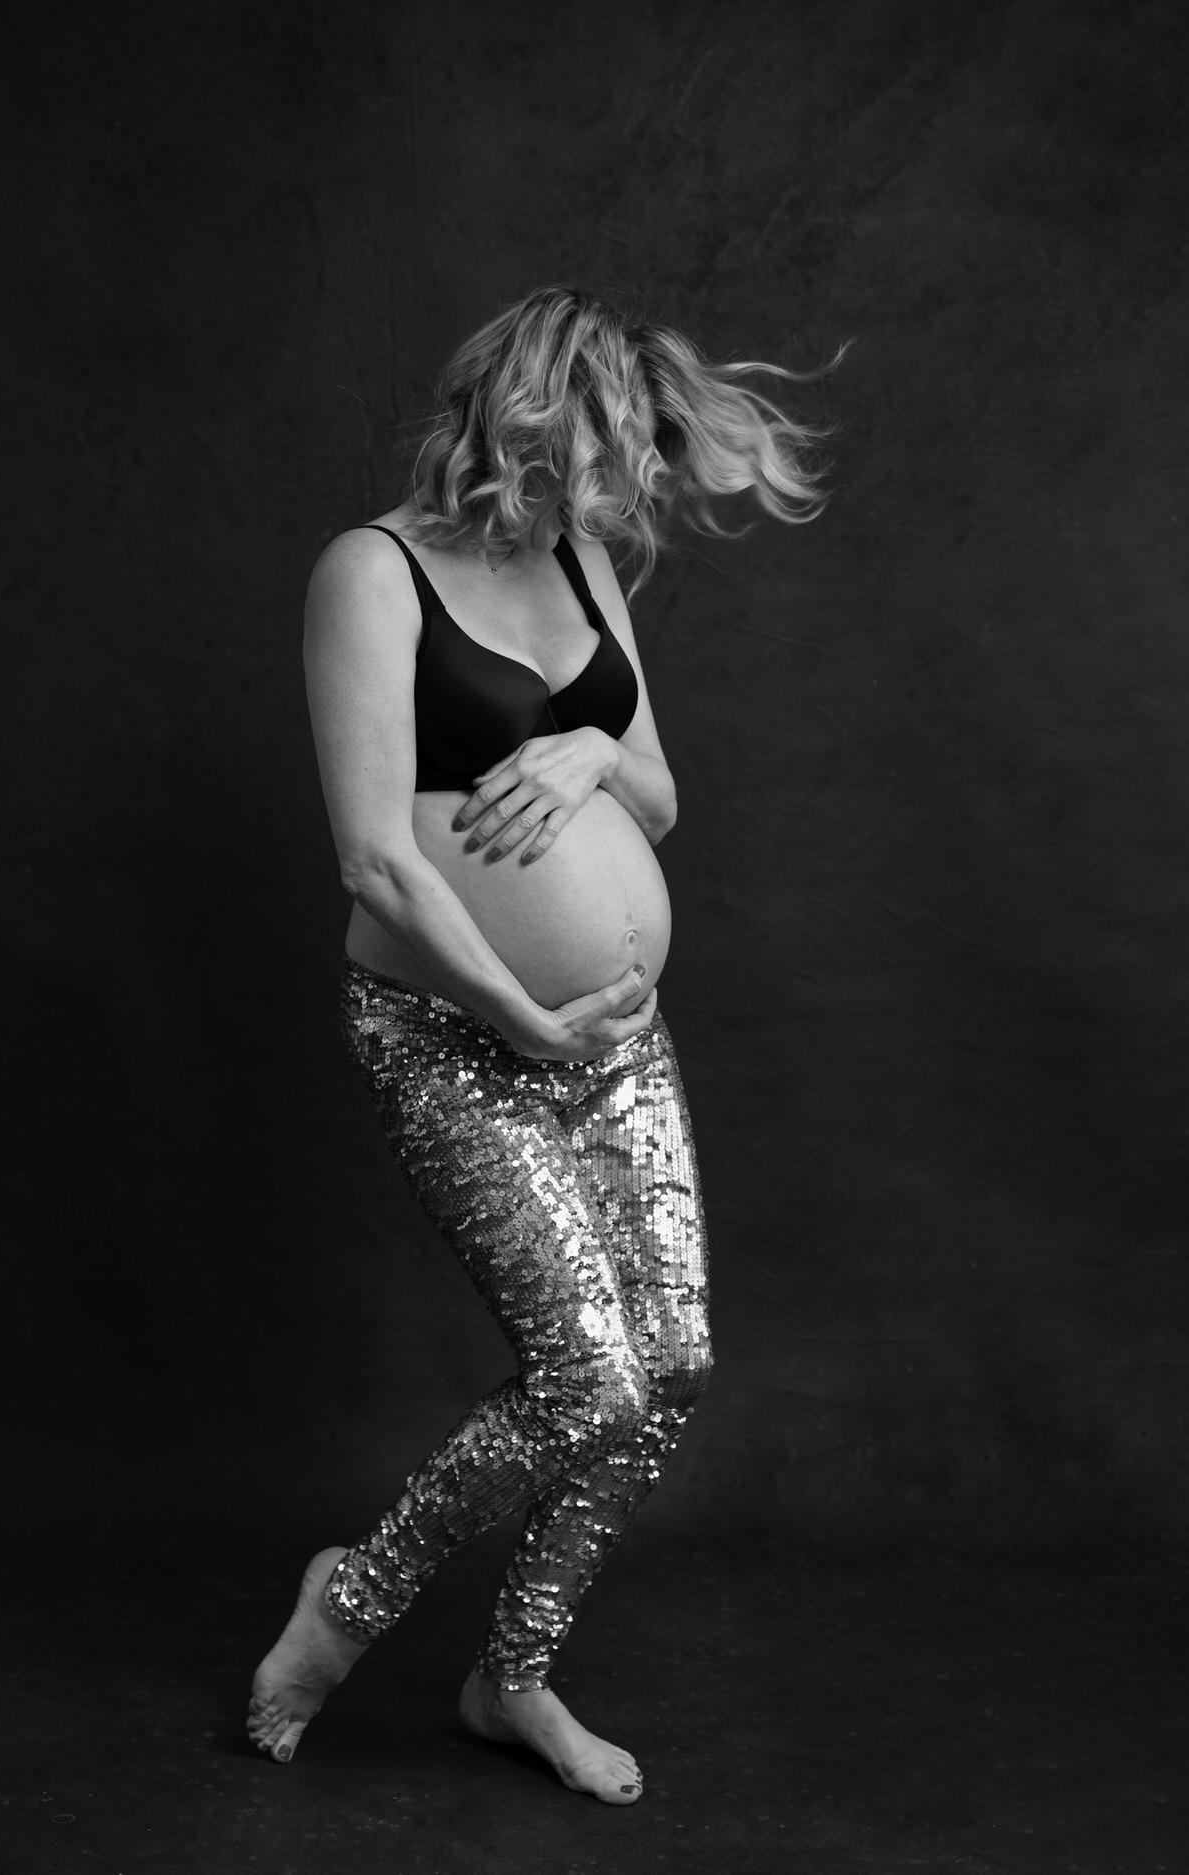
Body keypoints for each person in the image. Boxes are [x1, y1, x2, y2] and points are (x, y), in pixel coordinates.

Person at [248, 285, 829, 1804]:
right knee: (592, 1381)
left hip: (620, 1042)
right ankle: (349, 1603)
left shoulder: (584, 562)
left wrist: (584, 746)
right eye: (608, 448)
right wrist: (514, 1008)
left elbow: (661, 791)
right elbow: (376, 859)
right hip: (456, 1032)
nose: (627, 485)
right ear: (527, 424)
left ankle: (513, 1677)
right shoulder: (371, 576)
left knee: (676, 1368)